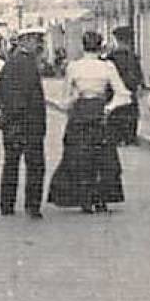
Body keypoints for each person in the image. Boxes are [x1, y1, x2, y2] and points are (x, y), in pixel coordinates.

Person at [48, 31, 131, 213]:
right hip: (100, 113)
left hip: (80, 113)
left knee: (78, 156)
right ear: (100, 46)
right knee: (103, 157)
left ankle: (84, 197)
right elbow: (124, 94)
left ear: (82, 46)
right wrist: (109, 108)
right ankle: (101, 198)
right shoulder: (107, 67)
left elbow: (65, 100)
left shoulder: (73, 67)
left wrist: (75, 100)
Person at [0, 29, 48, 218]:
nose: (38, 44)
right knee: (35, 165)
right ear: (26, 41)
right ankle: (33, 205)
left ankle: (7, 204)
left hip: (12, 123)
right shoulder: (27, 64)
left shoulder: (10, 62)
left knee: (11, 163)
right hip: (28, 122)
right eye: (35, 40)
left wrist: (2, 112)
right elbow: (29, 96)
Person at [104, 27, 145, 146]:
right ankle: (129, 136)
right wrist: (139, 84)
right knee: (130, 112)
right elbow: (138, 72)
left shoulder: (110, 57)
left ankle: (119, 136)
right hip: (129, 89)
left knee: (117, 112)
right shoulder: (132, 56)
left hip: (115, 90)